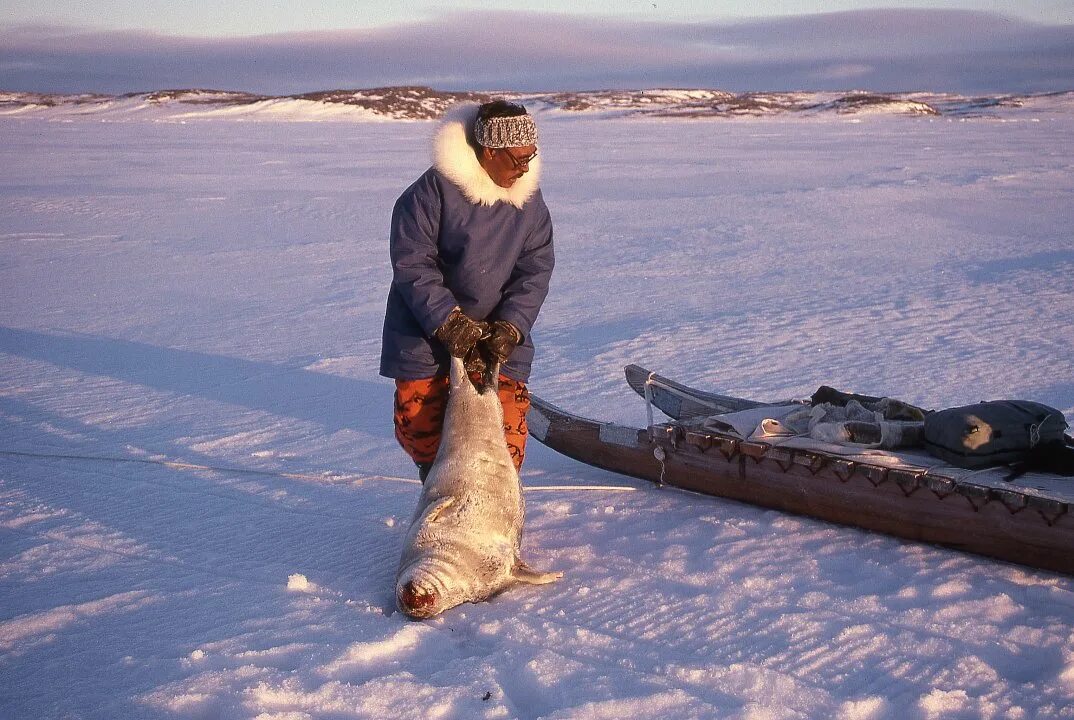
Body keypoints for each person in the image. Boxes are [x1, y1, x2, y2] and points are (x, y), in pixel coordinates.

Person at [380, 100, 555, 481]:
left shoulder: (529, 201)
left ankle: (495, 500)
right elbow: (413, 263)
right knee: (423, 429)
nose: (526, 168)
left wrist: (511, 326)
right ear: (490, 151)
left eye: (531, 156)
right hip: (425, 334)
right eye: (518, 159)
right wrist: (447, 322)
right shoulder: (429, 194)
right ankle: (441, 488)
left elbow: (535, 269)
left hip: (496, 339)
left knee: (506, 435)